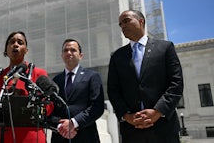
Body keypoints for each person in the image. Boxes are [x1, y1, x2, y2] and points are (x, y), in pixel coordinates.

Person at [107, 10, 184, 143]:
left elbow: (176, 83)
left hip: (164, 128)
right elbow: (113, 90)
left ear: (141, 21)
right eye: (120, 24)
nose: (122, 26)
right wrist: (127, 116)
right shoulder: (117, 56)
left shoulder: (165, 48)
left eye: (126, 21)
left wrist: (158, 111)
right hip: (132, 130)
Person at [0, 31, 54, 143]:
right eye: (12, 42)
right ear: (6, 50)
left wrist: (33, 109)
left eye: (20, 42)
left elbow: (49, 104)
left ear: (26, 50)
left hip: (30, 136)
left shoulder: (38, 74)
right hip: (0, 136)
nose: (16, 44)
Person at [50, 38, 105, 143]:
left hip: (86, 136)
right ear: (62, 56)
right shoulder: (54, 81)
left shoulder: (92, 76)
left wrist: (73, 123)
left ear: (81, 55)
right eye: (65, 50)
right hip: (60, 138)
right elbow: (49, 111)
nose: (69, 53)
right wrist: (61, 125)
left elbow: (97, 107)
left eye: (73, 50)